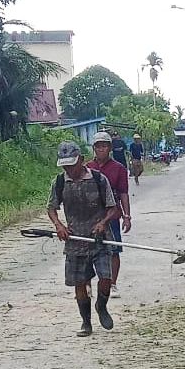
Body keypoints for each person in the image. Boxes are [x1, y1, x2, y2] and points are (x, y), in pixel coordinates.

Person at [47, 141, 118, 337]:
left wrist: (103, 222)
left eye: (71, 164)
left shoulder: (98, 179)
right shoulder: (59, 182)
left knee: (106, 277)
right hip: (75, 239)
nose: (68, 169)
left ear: (81, 159)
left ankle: (101, 305)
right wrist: (59, 225)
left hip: (99, 238)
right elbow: (51, 208)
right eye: (65, 166)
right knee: (80, 283)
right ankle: (86, 322)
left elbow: (112, 208)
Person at [87, 131, 131, 297]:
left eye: (104, 146)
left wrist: (127, 216)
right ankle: (87, 284)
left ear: (110, 148)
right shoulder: (87, 168)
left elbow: (123, 193)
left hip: (112, 214)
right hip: (90, 215)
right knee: (87, 250)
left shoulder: (119, 169)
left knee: (114, 249)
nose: (101, 149)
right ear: (94, 148)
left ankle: (112, 283)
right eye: (98, 146)